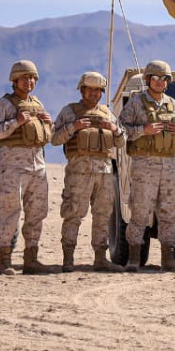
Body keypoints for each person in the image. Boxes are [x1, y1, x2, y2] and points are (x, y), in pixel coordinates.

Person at [0, 59, 56, 275]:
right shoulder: (3, 105)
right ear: (15, 80)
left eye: (33, 78)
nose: (29, 82)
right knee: (10, 211)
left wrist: (48, 124)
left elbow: (47, 137)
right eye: (25, 78)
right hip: (13, 168)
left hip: (37, 167)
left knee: (37, 212)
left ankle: (31, 259)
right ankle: (4, 260)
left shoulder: (37, 104)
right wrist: (15, 122)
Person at [51, 71, 124, 273]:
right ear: (82, 90)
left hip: (104, 171)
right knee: (73, 213)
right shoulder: (70, 112)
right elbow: (54, 138)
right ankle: (68, 259)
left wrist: (114, 129)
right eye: (90, 90)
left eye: (98, 90)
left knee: (103, 215)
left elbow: (122, 141)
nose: (94, 94)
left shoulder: (107, 113)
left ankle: (100, 258)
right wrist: (72, 127)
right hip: (79, 172)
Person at [120, 60, 175, 272]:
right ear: (148, 80)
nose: (160, 82)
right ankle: (134, 258)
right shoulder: (136, 103)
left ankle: (168, 257)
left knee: (169, 210)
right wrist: (143, 130)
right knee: (140, 209)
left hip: (168, 164)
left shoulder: (173, 104)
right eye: (156, 78)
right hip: (144, 163)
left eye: (164, 79)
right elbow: (121, 129)